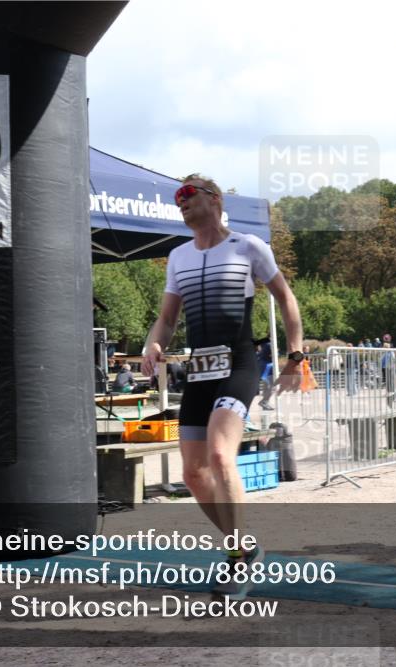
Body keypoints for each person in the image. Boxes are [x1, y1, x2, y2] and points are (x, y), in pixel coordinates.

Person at [141, 173, 304, 602]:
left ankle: (236, 560)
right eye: (177, 198)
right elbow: (167, 318)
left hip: (238, 363)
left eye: (187, 194)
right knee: (193, 474)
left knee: (219, 454)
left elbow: (286, 298)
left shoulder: (248, 246)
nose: (181, 202)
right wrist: (154, 344)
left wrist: (295, 356)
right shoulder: (178, 256)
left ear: (214, 199)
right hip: (200, 369)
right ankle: (246, 547)